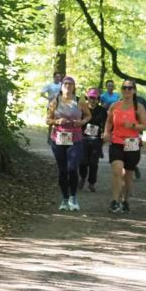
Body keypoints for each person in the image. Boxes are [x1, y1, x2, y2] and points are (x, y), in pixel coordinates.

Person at [47, 75, 91, 211]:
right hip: (58, 139)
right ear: (61, 86)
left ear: (74, 87)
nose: (67, 86)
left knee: (72, 169)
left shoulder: (79, 101)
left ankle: (73, 197)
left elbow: (89, 115)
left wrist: (82, 122)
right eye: (65, 84)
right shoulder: (55, 101)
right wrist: (56, 121)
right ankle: (65, 199)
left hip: (75, 139)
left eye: (70, 84)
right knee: (62, 171)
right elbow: (47, 120)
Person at [103, 80, 146, 213]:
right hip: (116, 142)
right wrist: (106, 132)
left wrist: (133, 126)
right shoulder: (114, 106)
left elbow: (144, 124)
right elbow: (109, 122)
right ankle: (115, 201)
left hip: (132, 143)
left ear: (134, 91)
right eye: (124, 88)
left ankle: (126, 200)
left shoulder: (138, 107)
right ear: (121, 90)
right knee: (117, 172)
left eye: (130, 88)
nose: (127, 90)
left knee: (128, 176)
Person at [78, 87, 107, 192]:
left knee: (93, 163)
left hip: (96, 139)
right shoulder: (82, 109)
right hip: (84, 138)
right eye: (91, 97)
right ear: (87, 97)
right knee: (83, 161)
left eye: (94, 98)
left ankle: (91, 183)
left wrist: (104, 135)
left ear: (98, 98)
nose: (92, 100)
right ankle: (82, 178)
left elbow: (105, 125)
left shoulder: (102, 111)